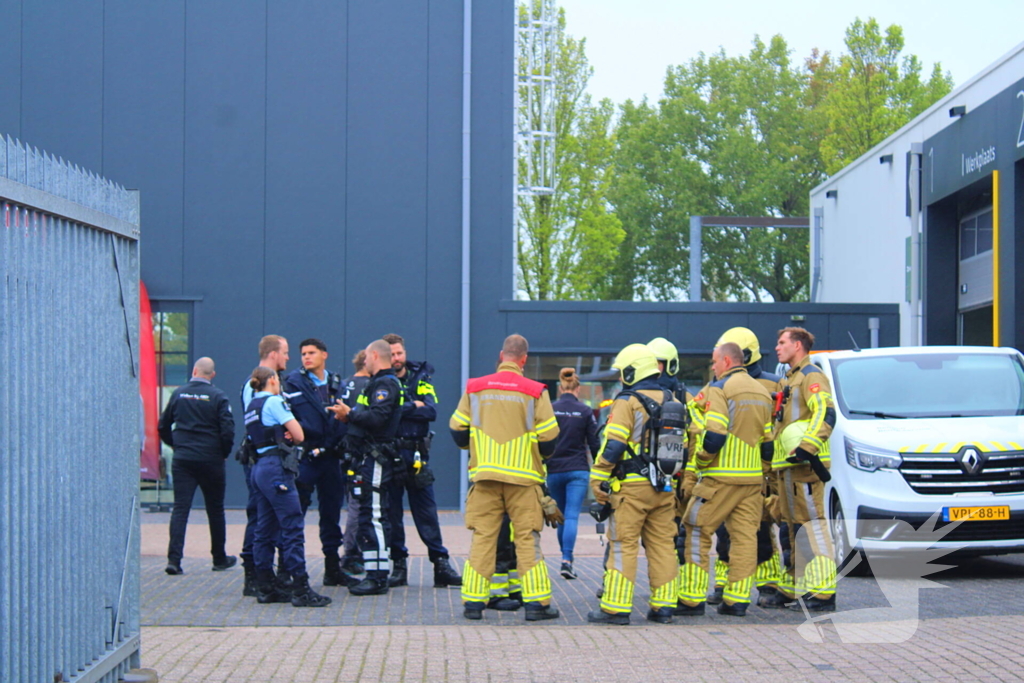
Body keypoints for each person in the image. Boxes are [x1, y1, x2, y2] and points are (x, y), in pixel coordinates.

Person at [449, 334, 561, 622]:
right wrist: (536, 455)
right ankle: (536, 605)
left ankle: (473, 603)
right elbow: (549, 437)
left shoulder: (475, 388)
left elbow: (457, 428)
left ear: (502, 356)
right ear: (524, 359)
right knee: (527, 539)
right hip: (524, 481)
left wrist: (476, 448)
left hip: (485, 478)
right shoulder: (535, 391)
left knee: (483, 538)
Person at [676, 342, 774, 617]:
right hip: (751, 480)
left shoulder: (720, 389)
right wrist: (761, 471)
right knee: (745, 538)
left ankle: (691, 599)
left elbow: (715, 433)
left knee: (695, 528)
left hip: (719, 479)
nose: (713, 367)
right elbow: (768, 441)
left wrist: (701, 461)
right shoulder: (762, 391)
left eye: (715, 362)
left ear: (727, 361)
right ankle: (737, 601)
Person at [587, 344, 681, 626]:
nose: (620, 378)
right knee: (663, 546)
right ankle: (664, 607)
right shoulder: (672, 399)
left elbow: (614, 444)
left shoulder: (627, 401)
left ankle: (615, 608)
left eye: (622, 372)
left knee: (623, 545)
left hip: (631, 487)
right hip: (664, 486)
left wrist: (598, 475)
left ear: (632, 371)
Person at [704, 327, 786, 608]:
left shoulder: (772, 384)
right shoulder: (721, 385)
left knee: (760, 531)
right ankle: (726, 586)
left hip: (755, 472)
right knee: (730, 533)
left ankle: (767, 582)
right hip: (751, 471)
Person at [245, 367, 331, 607]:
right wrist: (289, 433)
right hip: (276, 468)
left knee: (264, 528)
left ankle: (265, 586)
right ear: (273, 380)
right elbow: (299, 435)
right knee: (292, 526)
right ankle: (301, 589)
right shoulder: (274, 402)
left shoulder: (252, 405)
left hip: (259, 467)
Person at [381, 333, 461, 589]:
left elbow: (431, 411)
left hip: (417, 455)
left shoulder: (421, 378)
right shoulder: (380, 381)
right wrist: (411, 405)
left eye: (399, 353)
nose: (396, 358)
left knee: (427, 512)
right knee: (392, 514)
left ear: (405, 353)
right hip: (390, 455)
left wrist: (402, 409)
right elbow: (382, 413)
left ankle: (441, 564)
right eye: (392, 354)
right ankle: (399, 566)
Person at [327, 339, 405, 596]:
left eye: (366, 357)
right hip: (367, 457)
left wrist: (349, 414)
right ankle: (373, 572)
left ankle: (378, 577)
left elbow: (378, 418)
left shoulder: (385, 384)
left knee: (374, 515)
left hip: (377, 457)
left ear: (374, 356)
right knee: (368, 515)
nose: (363, 361)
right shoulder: (378, 383)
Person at [773, 327, 837, 612]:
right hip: (788, 467)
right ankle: (793, 586)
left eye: (782, 342)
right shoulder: (789, 378)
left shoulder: (812, 376)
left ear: (797, 345)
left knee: (812, 525)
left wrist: (807, 447)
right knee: (792, 527)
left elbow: (825, 412)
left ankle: (823, 592)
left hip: (805, 466)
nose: (777, 347)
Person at [159, 357, 236, 575]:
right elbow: (228, 430)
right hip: (211, 459)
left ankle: (174, 560)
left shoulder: (178, 394)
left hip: (184, 460)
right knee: (215, 509)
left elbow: (163, 425)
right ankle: (219, 558)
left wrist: (176, 445)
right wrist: (223, 453)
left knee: (181, 509)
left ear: (194, 371)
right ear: (213, 375)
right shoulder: (218, 396)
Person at [283, 338, 347, 587]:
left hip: (331, 458)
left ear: (324, 355)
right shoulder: (292, 382)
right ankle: (288, 570)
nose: (306, 357)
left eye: (311, 353)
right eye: (303, 354)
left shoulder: (337, 383)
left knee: (331, 514)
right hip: (306, 457)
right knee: (295, 513)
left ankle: (333, 568)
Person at [238, 335, 289, 596]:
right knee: (259, 515)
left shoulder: (266, 384)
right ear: (273, 354)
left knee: (265, 516)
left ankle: (264, 576)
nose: (288, 357)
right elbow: (257, 424)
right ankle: (255, 576)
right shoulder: (257, 387)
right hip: (262, 459)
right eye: (285, 352)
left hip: (264, 459)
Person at [547, 367, 599, 580]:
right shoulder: (585, 411)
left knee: (560, 517)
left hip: (554, 469)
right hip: (577, 469)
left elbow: (543, 438)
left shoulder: (551, 408)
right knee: (571, 516)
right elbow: (594, 443)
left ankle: (565, 558)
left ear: (561, 388)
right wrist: (601, 469)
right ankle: (567, 560)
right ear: (578, 389)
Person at [338, 349, 371, 576]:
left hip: (344, 451)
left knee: (353, 503)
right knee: (360, 505)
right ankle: (352, 554)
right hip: (362, 451)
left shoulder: (344, 384)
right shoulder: (369, 386)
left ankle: (353, 552)